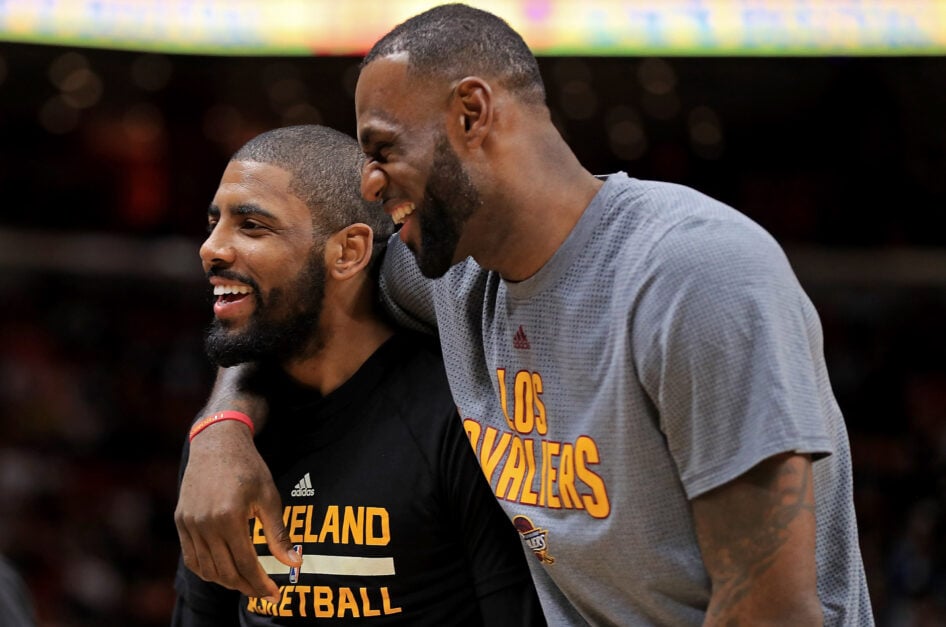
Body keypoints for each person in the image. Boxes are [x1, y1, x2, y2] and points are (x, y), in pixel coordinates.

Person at [175, 4, 874, 625]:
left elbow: (772, 608)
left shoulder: (695, 274)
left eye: (383, 147)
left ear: (472, 114)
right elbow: (287, 298)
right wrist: (221, 432)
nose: (368, 181)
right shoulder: (450, 279)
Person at [172, 124, 544, 625]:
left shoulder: (458, 417)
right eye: (214, 222)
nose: (211, 248)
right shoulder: (224, 443)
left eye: (252, 226)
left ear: (348, 252)